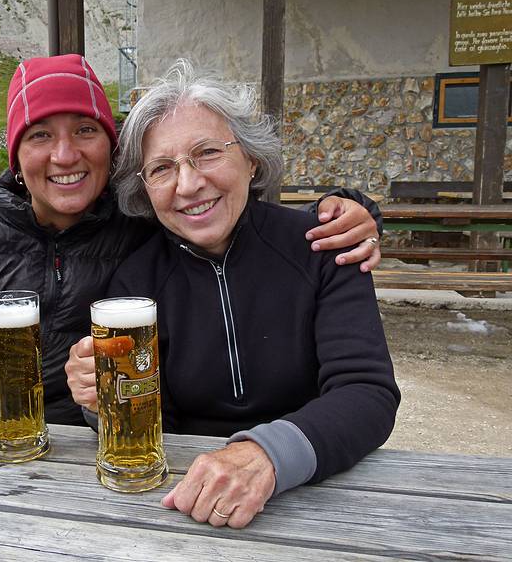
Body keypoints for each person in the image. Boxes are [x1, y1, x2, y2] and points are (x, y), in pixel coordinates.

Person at [0, 54, 384, 441]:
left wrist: (354, 208)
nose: (65, 155)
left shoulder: (147, 225)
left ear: (112, 151)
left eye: (85, 131)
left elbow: (232, 213)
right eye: (40, 136)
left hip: (123, 471)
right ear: (15, 154)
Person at [65, 60, 400, 528]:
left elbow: (368, 393)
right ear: (144, 192)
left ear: (251, 157)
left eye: (206, 153)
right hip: (185, 497)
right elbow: (145, 415)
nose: (189, 184)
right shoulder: (134, 285)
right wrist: (97, 403)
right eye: (162, 168)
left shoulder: (322, 246)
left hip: (321, 489)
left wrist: (266, 455)